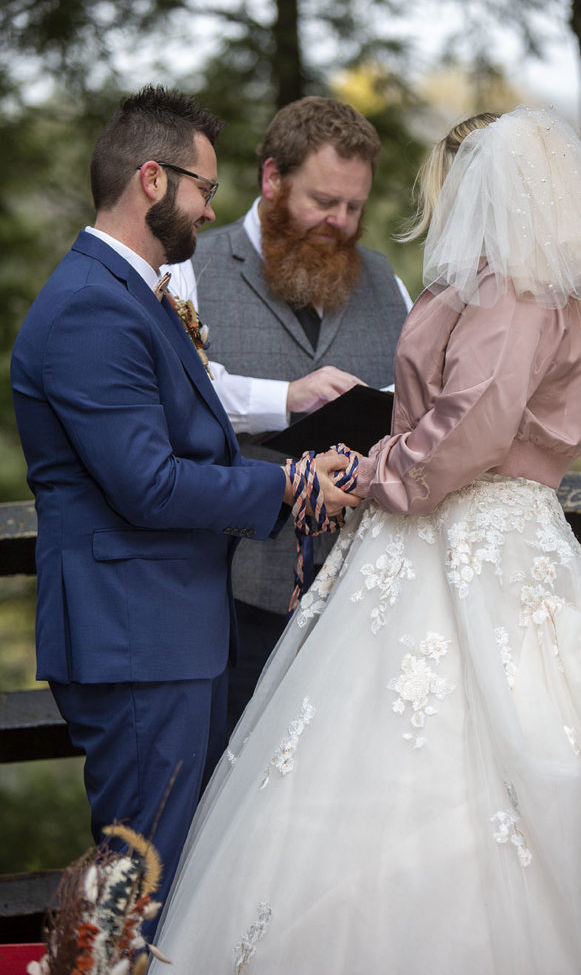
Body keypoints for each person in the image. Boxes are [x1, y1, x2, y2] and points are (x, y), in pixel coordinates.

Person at [151, 105, 581, 973]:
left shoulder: (515, 289)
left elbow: (471, 424)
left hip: (472, 536)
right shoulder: (484, 283)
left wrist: (373, 474)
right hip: (407, 538)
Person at [9, 85, 358, 917]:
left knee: (180, 883)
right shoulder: (92, 307)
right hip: (134, 641)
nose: (212, 208)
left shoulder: (138, 292)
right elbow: (149, 484)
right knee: (138, 892)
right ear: (153, 181)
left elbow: (187, 425)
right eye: (204, 185)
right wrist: (289, 483)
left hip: (171, 632)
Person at [169, 96, 411, 731]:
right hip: (236, 593)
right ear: (273, 179)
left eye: (354, 207)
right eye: (323, 201)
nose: (339, 220)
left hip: (367, 592)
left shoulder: (388, 282)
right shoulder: (189, 269)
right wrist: (287, 397)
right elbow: (181, 395)